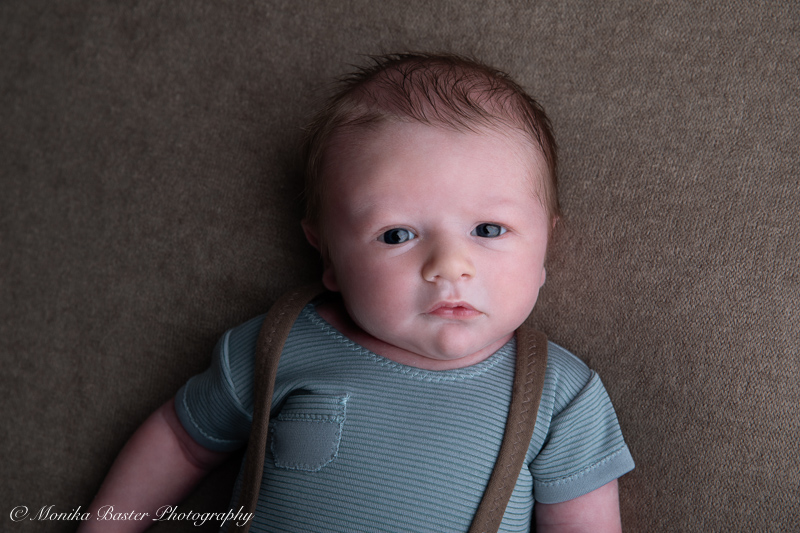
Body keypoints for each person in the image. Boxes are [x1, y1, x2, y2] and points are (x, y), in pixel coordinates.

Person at [81, 53, 634, 533]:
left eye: (488, 229)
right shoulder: (280, 345)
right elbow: (182, 441)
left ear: (544, 246)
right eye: (396, 235)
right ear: (329, 258)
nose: (449, 266)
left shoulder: (560, 397)